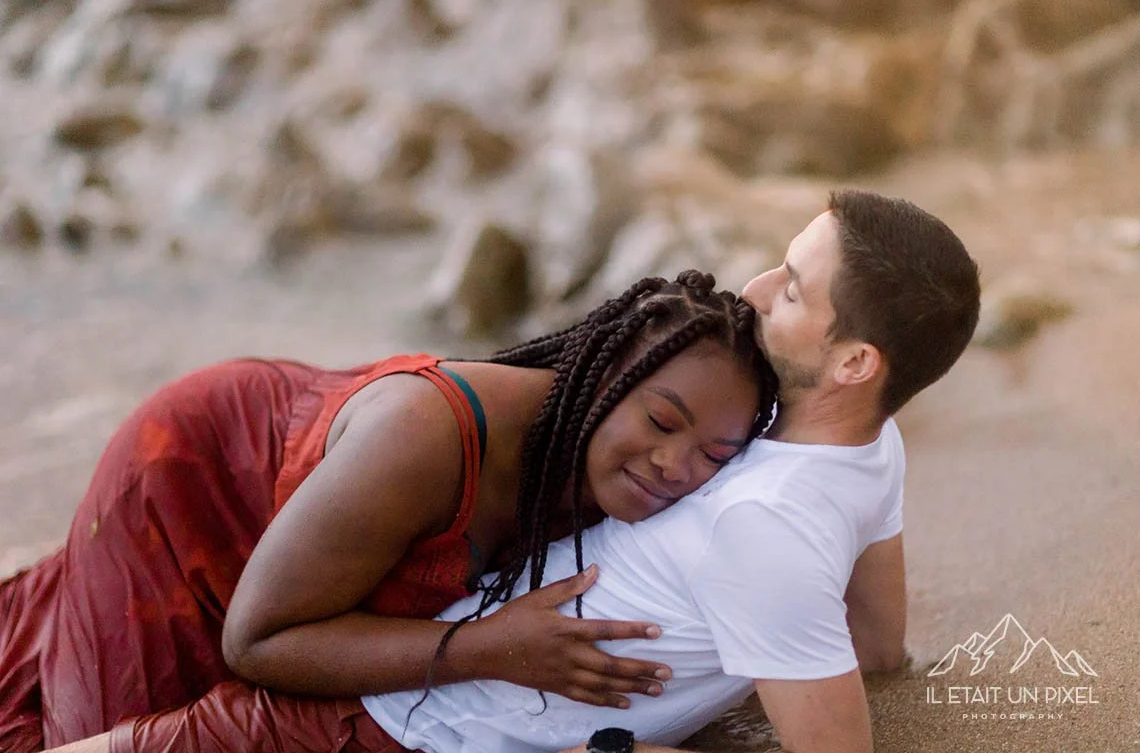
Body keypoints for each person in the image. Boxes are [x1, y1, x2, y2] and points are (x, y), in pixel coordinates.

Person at [43, 188, 981, 753]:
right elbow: (264, 636)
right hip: (208, 486)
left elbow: (875, 652)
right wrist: (490, 651)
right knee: (73, 713)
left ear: (857, 365)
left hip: (398, 679)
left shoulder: (820, 470)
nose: (755, 288)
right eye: (780, 266)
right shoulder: (830, 462)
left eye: (792, 286)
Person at [0, 271, 779, 753]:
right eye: (662, 421)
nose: (676, 467)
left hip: (319, 550)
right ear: (603, 374)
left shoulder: (638, 474)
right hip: (191, 490)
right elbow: (258, 639)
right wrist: (484, 647)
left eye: (714, 455)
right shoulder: (426, 436)